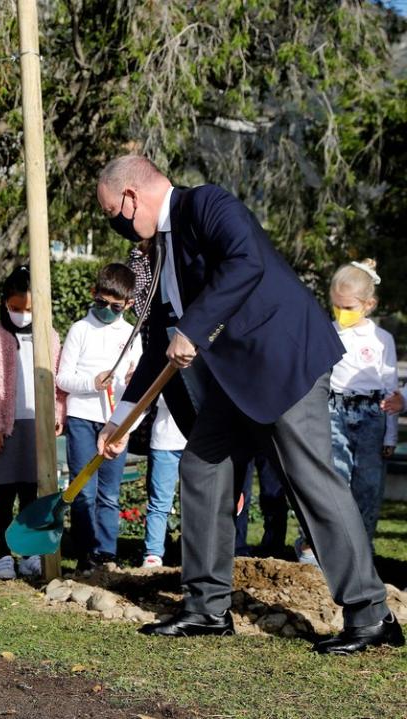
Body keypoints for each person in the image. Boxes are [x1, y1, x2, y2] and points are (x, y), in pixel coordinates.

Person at [95, 154, 401, 654]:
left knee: (311, 482)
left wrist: (192, 329)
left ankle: (371, 615)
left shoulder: (206, 204)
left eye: (115, 215)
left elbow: (246, 262)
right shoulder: (160, 252)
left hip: (284, 363)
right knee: (201, 468)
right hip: (233, 383)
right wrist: (119, 421)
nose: (119, 230)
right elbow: (158, 341)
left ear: (132, 196)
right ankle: (207, 608)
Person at [0, 266, 64, 580]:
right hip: (6, 426)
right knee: (5, 495)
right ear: (4, 304)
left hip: (35, 426)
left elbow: (56, 380)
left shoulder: (49, 336)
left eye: (28, 310)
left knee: (31, 494)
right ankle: (2, 554)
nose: (22, 315)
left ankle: (28, 553)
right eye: (15, 309)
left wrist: (56, 415)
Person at [56, 263, 141, 571]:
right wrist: (92, 382)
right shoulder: (80, 329)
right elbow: (63, 379)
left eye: (115, 306)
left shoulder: (132, 334)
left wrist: (132, 386)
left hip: (117, 422)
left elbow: (139, 389)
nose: (106, 310)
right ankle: (85, 555)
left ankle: (107, 555)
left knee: (110, 494)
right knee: (83, 491)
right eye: (101, 303)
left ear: (129, 304)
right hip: (82, 418)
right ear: (94, 294)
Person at [323, 260, 397, 546]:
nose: (342, 314)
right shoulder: (327, 332)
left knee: (367, 487)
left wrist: (390, 434)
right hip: (334, 411)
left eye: (349, 308)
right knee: (334, 481)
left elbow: (390, 390)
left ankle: (361, 554)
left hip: (371, 415)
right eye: (336, 307)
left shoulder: (382, 340)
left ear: (369, 304)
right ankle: (325, 551)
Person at [140, 397, 185, 568]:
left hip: (199, 442)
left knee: (195, 503)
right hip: (165, 441)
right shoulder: (162, 368)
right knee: (159, 502)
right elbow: (153, 397)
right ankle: (153, 554)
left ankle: (193, 551)